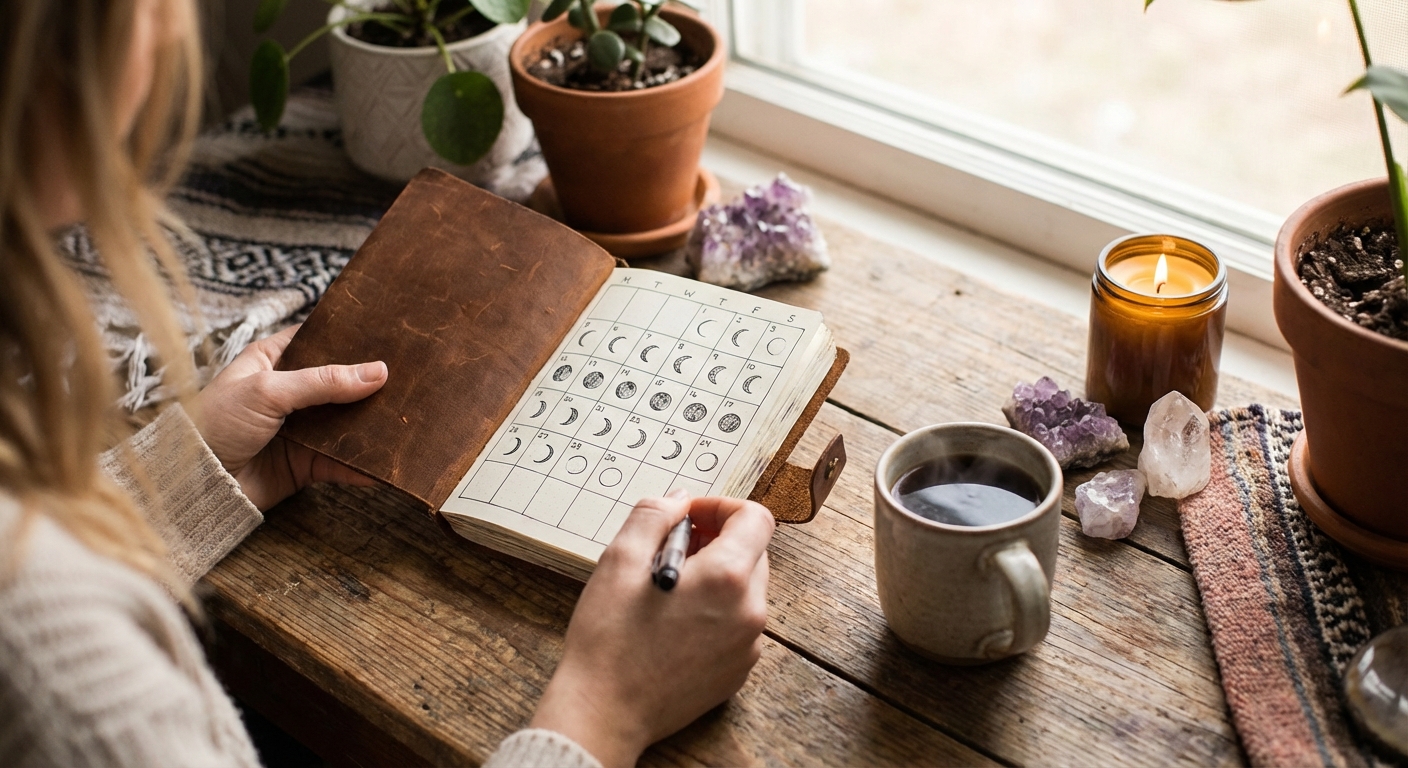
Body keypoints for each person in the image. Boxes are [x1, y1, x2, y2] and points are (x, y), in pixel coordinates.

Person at [0, 0, 776, 766]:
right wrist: (603, 711)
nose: (173, 20)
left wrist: (190, 479)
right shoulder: (52, 669)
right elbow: (44, 621)